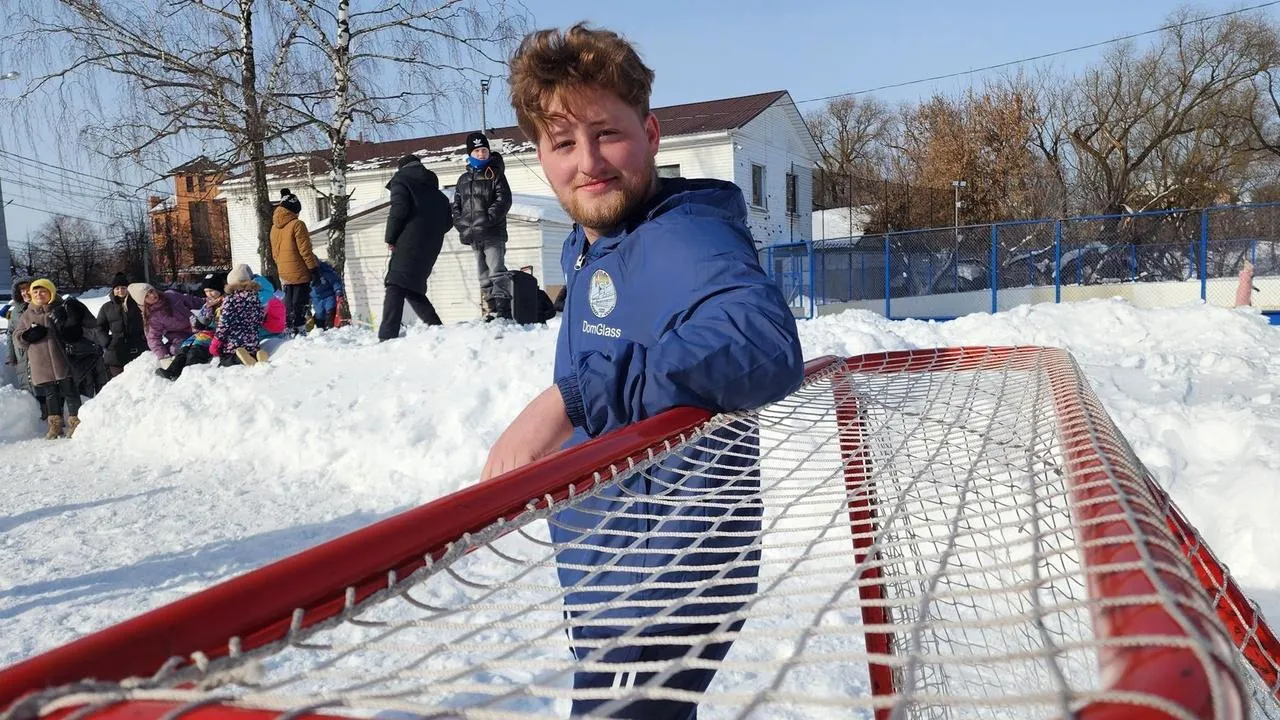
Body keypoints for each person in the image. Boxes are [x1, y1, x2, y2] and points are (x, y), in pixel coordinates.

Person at [481, 23, 804, 719]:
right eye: (564, 143)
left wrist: (573, 397)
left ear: (652, 133)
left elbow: (764, 341)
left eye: (608, 134)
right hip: (608, 566)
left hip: (662, 587)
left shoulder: (684, 235)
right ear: (539, 156)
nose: (589, 162)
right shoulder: (599, 239)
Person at [13, 279, 97, 438]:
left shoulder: (60, 309)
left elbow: (80, 328)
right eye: (35, 292)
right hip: (41, 363)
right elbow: (17, 337)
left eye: (43, 291)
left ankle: (75, 423)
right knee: (50, 394)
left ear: (51, 292)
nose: (39, 295)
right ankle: (55, 425)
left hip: (63, 360)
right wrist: (27, 335)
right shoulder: (27, 314)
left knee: (70, 391)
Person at [380, 154, 452, 340]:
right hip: (431, 245)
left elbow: (398, 210)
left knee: (395, 284)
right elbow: (448, 222)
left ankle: (387, 336)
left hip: (408, 241)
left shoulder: (402, 182)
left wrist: (391, 237)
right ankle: (437, 328)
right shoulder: (439, 195)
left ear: (401, 168)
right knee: (413, 288)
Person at [451, 131, 514, 321]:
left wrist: (487, 219)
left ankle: (504, 310)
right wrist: (461, 223)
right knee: (483, 274)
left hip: (492, 232)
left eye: (484, 150)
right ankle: (491, 308)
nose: (481, 154)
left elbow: (503, 201)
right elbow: (457, 206)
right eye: (477, 151)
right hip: (473, 235)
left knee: (496, 270)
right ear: (470, 154)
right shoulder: (463, 180)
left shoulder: (495, 174)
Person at [270, 188, 320, 334]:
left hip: (283, 270)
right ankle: (300, 329)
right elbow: (305, 250)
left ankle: (289, 327)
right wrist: (313, 268)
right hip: (299, 269)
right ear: (294, 210)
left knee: (290, 301)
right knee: (301, 301)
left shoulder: (274, 227)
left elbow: (274, 252)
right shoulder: (297, 224)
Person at [96, 272, 148, 376]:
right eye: (117, 288)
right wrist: (107, 343)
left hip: (138, 350)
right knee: (119, 386)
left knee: (140, 382)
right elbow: (99, 328)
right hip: (116, 353)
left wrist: (145, 338)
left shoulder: (138, 304)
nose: (120, 291)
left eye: (123, 288)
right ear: (113, 290)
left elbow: (149, 322)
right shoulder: (106, 307)